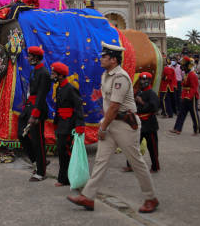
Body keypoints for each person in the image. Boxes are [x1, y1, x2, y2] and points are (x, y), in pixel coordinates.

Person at [67, 42, 158, 213]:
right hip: (110, 123)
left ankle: (151, 197)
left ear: (114, 60)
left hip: (125, 125)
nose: (101, 59)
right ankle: (88, 197)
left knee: (136, 161)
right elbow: (107, 104)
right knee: (101, 161)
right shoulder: (106, 75)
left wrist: (102, 128)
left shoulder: (120, 78)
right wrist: (104, 123)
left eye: (104, 57)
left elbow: (115, 106)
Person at [18, 46, 50, 182]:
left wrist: (35, 115)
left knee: (38, 141)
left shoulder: (44, 73)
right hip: (29, 107)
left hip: (37, 109)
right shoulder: (34, 71)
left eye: (30, 56)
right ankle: (36, 160)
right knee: (21, 134)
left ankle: (41, 172)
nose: (28, 58)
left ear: (36, 58)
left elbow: (41, 95)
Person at [51, 62, 85, 187]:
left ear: (60, 75)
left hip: (69, 124)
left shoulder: (71, 88)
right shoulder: (59, 87)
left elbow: (78, 107)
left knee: (66, 152)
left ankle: (67, 178)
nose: (52, 75)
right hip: (61, 123)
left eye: (54, 73)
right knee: (61, 151)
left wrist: (80, 125)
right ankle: (64, 178)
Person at [123, 72, 160, 173]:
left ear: (149, 81)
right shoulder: (139, 92)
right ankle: (130, 165)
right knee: (132, 146)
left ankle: (155, 167)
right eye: (141, 79)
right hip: (138, 124)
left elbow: (155, 108)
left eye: (145, 80)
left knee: (152, 148)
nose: (142, 82)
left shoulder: (152, 93)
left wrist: (142, 102)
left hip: (149, 124)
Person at [171, 56, 200, 135]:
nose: (182, 67)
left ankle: (197, 130)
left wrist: (188, 97)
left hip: (191, 97)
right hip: (185, 96)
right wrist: (183, 96)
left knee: (194, 114)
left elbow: (194, 88)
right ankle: (177, 128)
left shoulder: (192, 75)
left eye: (184, 66)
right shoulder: (186, 74)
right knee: (181, 113)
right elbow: (184, 86)